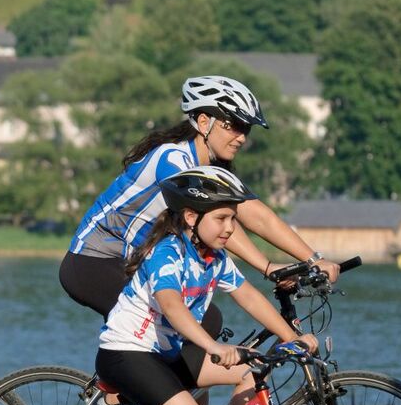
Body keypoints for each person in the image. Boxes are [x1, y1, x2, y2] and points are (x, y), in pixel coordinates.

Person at [95, 166, 318, 405]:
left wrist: (293, 338)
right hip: (127, 353)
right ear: (191, 217)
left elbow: (248, 295)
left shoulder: (214, 258)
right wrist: (213, 347)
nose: (230, 228)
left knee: (252, 370)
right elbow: (172, 307)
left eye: (233, 219)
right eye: (221, 219)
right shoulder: (167, 253)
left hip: (166, 353)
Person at [60, 75, 340, 322]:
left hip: (130, 264)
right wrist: (267, 268)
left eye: (246, 129)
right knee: (195, 324)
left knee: (207, 319)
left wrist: (313, 259)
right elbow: (218, 222)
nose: (242, 137)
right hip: (93, 262)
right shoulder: (173, 159)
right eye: (233, 125)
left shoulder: (211, 171)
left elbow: (258, 216)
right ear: (204, 121)